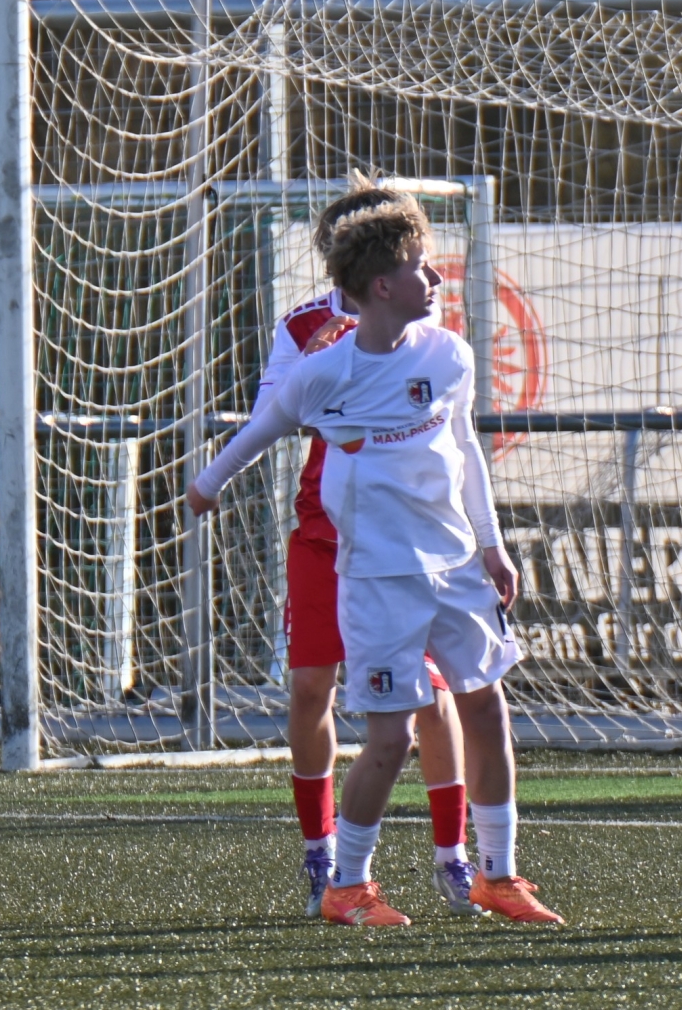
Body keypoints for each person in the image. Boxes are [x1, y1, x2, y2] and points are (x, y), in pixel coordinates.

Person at [189, 196, 562, 926]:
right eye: (417, 264)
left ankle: (495, 873)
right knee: (388, 737)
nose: (433, 275)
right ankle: (346, 882)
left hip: (454, 567)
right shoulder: (321, 369)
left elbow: (465, 452)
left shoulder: (448, 352)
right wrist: (205, 487)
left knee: (486, 707)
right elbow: (262, 428)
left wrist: (491, 544)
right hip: (376, 580)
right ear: (380, 284)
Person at [259, 179, 475, 918]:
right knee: (311, 686)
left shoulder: (421, 316)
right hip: (325, 534)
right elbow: (273, 416)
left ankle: (455, 856)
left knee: (433, 700)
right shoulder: (302, 329)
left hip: (403, 540)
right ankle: (321, 852)